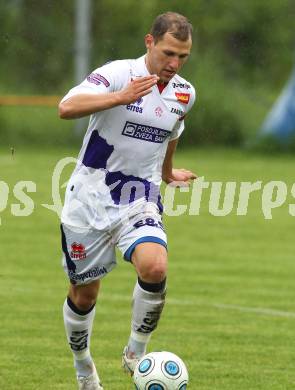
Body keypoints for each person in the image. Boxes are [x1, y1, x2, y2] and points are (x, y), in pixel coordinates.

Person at [58, 11, 196, 390]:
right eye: (168, 53)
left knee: (154, 267)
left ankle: (136, 354)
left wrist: (168, 173)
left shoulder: (185, 92)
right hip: (88, 198)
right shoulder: (119, 73)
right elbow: (66, 108)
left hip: (139, 195)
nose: (174, 64)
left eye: (182, 57)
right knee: (84, 295)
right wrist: (120, 97)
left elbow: (172, 131)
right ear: (149, 42)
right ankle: (84, 367)